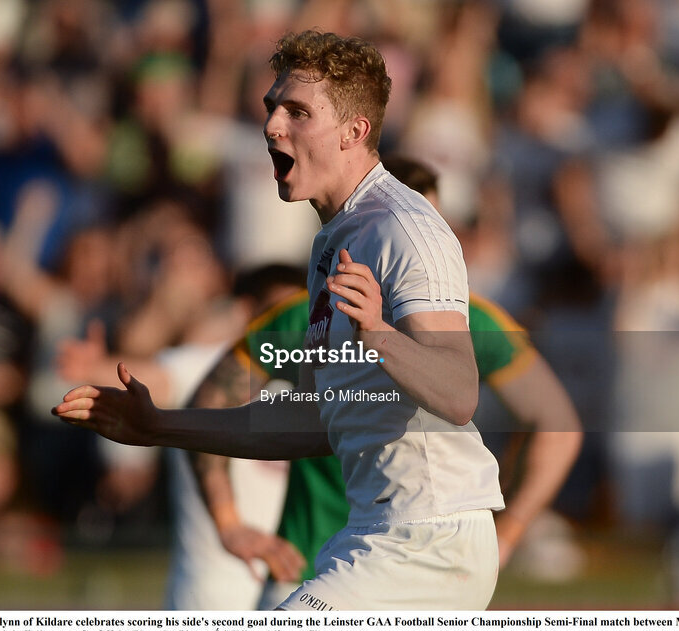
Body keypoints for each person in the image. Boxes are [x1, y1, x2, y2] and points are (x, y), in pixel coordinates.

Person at [55, 30, 501, 610]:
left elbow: (460, 392)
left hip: (428, 539)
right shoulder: (332, 243)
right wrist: (158, 427)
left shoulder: (403, 228)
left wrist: (379, 334)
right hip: (376, 534)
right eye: (271, 108)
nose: (272, 126)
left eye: (297, 112)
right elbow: (313, 423)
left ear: (354, 132)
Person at [190, 157, 583, 608]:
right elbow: (220, 401)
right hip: (309, 561)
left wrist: (507, 536)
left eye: (435, 235)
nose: (428, 258)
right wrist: (226, 519)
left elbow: (555, 424)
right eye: (412, 240)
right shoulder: (308, 309)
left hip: (415, 555)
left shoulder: (475, 323)